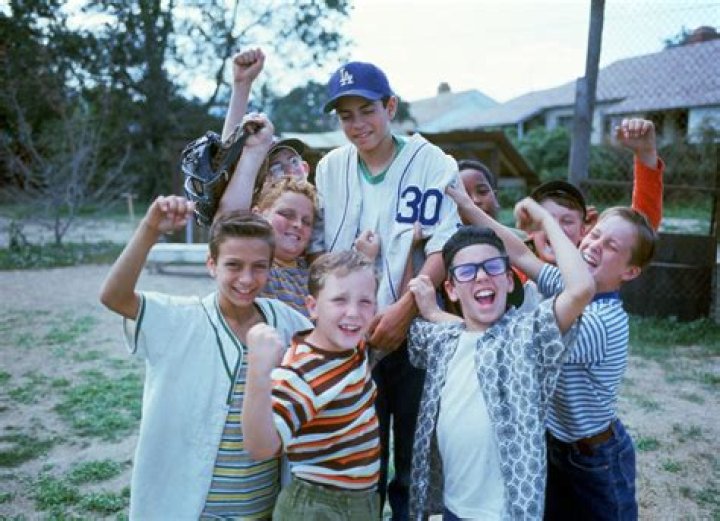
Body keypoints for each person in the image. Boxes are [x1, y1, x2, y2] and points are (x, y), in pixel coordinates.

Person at [447, 189, 658, 521]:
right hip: (557, 446)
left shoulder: (601, 322)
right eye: (595, 235)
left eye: (611, 246)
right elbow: (520, 253)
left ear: (630, 272)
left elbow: (516, 343)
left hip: (595, 459)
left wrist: (547, 220)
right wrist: (467, 207)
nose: (594, 245)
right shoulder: (568, 287)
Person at [310, 60, 462, 519]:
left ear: (390, 107)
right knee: (360, 456)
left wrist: (403, 311)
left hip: (413, 332)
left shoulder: (432, 162)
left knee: (415, 459)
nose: (357, 124)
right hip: (351, 336)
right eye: (346, 115)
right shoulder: (331, 167)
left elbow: (443, 247)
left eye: (367, 110)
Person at [99, 203, 312, 519]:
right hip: (197, 510)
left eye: (259, 267)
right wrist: (150, 229)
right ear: (211, 264)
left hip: (265, 507)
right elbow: (114, 297)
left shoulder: (287, 322)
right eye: (233, 265)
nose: (246, 278)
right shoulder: (180, 319)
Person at [405, 198, 594, 519]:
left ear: (508, 280)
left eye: (492, 267)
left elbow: (580, 289)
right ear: (451, 289)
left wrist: (547, 221)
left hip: (506, 512)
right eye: (467, 271)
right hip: (451, 508)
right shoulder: (444, 339)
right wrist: (411, 257)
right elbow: (453, 329)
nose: (481, 276)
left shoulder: (528, 336)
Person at [242, 250, 381, 520]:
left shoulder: (352, 345)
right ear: (313, 307)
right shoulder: (301, 374)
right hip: (318, 507)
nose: (354, 312)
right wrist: (258, 372)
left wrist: (366, 256)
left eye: (365, 301)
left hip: (359, 501)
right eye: (339, 300)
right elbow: (260, 447)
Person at [218, 112, 318, 317]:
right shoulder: (256, 264)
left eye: (307, 221)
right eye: (276, 168)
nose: (298, 224)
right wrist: (253, 153)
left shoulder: (310, 268)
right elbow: (226, 173)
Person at [222, 48, 310, 183]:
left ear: (305, 168)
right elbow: (227, 159)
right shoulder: (254, 197)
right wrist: (242, 85)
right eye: (276, 168)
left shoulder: (323, 195)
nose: (289, 172)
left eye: (293, 161)